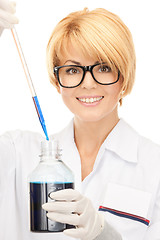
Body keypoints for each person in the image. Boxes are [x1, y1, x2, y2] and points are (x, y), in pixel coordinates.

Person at [0, 1, 160, 240]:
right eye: (73, 70)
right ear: (57, 81)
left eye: (104, 67)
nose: (88, 83)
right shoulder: (18, 151)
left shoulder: (154, 167)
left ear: (124, 76)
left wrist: (104, 234)